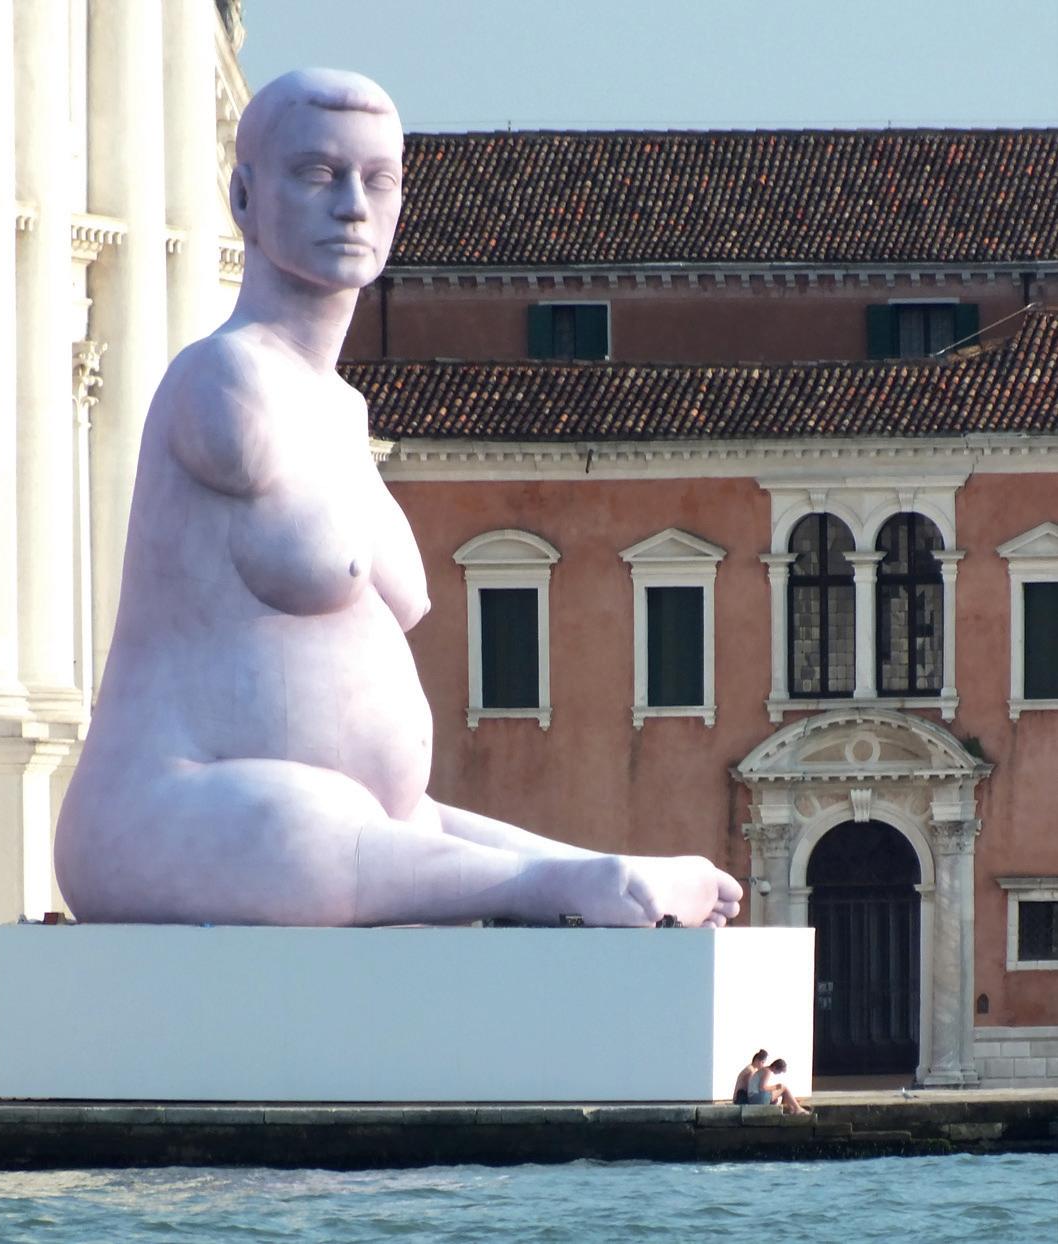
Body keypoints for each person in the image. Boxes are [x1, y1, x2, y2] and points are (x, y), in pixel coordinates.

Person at [53, 68, 744, 929]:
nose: (352, 206)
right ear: (243, 198)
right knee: (308, 830)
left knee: (396, 829)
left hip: (364, 817)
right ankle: (553, 884)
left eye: (377, 180)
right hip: (169, 812)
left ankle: (577, 873)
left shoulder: (344, 410)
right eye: (317, 174)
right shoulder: (223, 382)